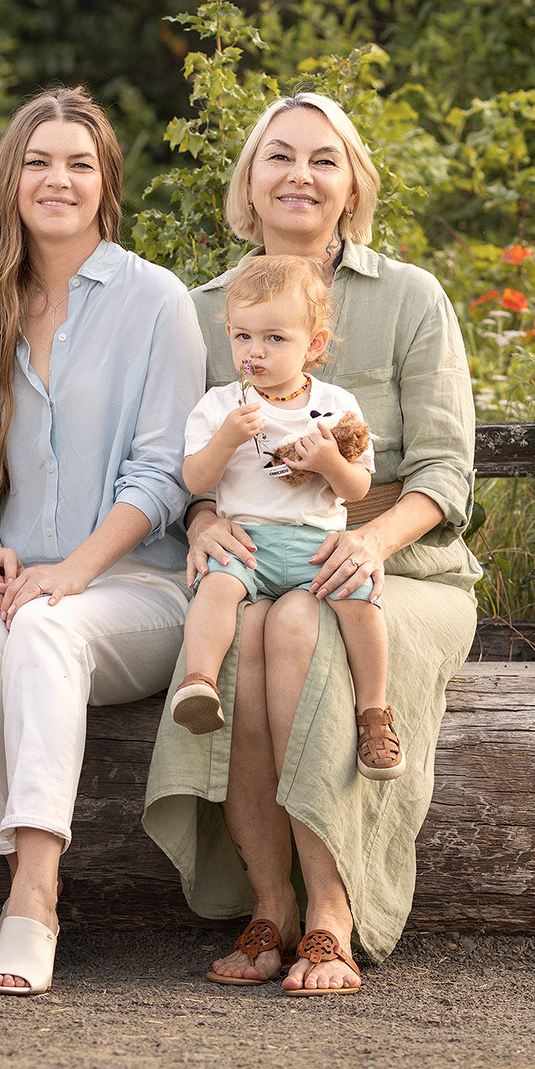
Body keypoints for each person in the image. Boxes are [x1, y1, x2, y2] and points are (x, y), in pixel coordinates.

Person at [142, 91, 481, 997]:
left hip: (398, 563)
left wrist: (372, 542)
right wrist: (203, 519)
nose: (300, 174)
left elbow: (447, 474)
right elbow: (173, 456)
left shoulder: (410, 297)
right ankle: (268, 901)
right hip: (257, 555)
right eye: (279, 156)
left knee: (297, 626)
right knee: (255, 629)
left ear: (352, 185)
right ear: (248, 185)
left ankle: (328, 907)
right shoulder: (207, 307)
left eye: (323, 159)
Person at [0, 87, 205, 996]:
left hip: (137, 588)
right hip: (25, 581)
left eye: (79, 163)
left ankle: (34, 898)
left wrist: (69, 573)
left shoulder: (155, 301)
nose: (59, 179)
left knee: (43, 627)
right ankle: (23, 869)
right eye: (39, 161)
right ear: (12, 180)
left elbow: (165, 475)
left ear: (106, 183)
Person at [169, 255, 402, 785]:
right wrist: (227, 438)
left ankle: (374, 712)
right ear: (228, 334)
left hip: (315, 546)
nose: (256, 352)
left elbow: (358, 487)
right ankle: (199, 683)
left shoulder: (335, 406)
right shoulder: (220, 406)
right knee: (216, 589)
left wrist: (328, 463)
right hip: (244, 543)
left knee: (362, 603)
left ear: (313, 345)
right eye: (244, 337)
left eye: (275, 338)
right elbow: (195, 480)